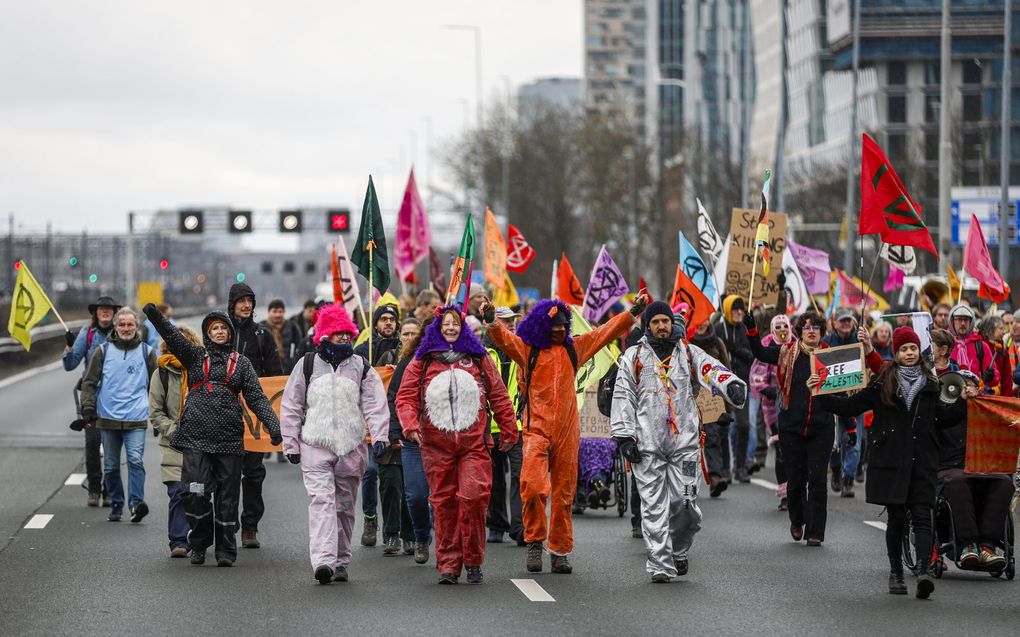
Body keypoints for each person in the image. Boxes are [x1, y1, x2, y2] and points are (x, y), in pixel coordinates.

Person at [481, 294, 646, 574]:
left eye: (563, 325)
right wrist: (490, 321)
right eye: (554, 325)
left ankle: (559, 551)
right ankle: (534, 541)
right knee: (532, 487)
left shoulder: (575, 349)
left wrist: (631, 314)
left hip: (568, 432)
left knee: (564, 495)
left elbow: (604, 333)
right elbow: (504, 341)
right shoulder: (528, 350)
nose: (559, 329)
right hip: (536, 430)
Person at [819, 326, 965, 598]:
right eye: (903, 349)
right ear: (896, 353)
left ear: (918, 352)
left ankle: (923, 572)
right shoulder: (882, 382)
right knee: (897, 518)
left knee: (923, 516)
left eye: (912, 348)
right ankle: (896, 572)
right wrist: (822, 394)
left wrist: (963, 403)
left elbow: (943, 420)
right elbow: (851, 407)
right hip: (891, 461)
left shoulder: (932, 384)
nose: (909, 353)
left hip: (922, 461)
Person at [612, 302, 746, 582]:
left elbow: (713, 369)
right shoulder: (633, 357)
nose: (662, 326)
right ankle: (660, 564)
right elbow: (623, 396)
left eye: (666, 321)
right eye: (656, 322)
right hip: (647, 446)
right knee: (653, 507)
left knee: (685, 504)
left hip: (684, 445)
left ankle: (679, 550)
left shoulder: (687, 352)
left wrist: (730, 385)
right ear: (647, 326)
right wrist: (625, 437)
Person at [142, 303, 282, 567]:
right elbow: (170, 333)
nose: (219, 332)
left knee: (227, 499)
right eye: (214, 328)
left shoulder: (242, 365)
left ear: (229, 333)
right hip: (195, 438)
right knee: (194, 493)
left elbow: (257, 398)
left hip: (229, 440)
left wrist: (274, 426)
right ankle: (200, 541)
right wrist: (153, 314)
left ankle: (226, 551)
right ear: (208, 333)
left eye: (223, 328)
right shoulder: (194, 356)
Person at [395, 305, 519, 584]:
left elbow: (499, 395)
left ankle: (473, 560)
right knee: (444, 504)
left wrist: (509, 428)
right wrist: (410, 425)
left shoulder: (478, 358)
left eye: (455, 324)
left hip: (474, 444)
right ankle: (449, 564)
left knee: (474, 498)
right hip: (436, 447)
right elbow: (405, 397)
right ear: (437, 329)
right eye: (445, 324)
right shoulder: (423, 359)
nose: (450, 328)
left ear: (462, 328)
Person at [279, 303, 390, 583]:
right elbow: (291, 405)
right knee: (321, 502)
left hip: (351, 448)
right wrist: (290, 443)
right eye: (338, 333)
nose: (344, 338)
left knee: (344, 507)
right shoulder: (306, 365)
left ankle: (341, 560)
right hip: (315, 444)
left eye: (347, 333)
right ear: (325, 334)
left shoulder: (361, 367)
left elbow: (375, 404)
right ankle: (323, 561)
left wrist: (380, 436)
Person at [931, 328, 1014, 569]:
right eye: (962, 385)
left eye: (971, 385)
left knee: (1004, 482)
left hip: (983, 468)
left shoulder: (986, 413)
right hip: (950, 467)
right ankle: (968, 545)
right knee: (958, 481)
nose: (967, 389)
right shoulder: (943, 409)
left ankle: (988, 545)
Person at [80, 307, 158, 523]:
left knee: (135, 461)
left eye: (130, 324)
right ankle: (116, 503)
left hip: (136, 418)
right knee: (112, 466)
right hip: (108, 418)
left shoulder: (147, 352)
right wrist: (88, 409)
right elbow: (89, 382)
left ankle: (136, 504)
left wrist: (159, 416)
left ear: (137, 327)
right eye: (121, 324)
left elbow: (157, 386)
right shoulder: (102, 351)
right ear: (115, 327)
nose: (126, 328)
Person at [226, 282, 284, 550]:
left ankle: (250, 526)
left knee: (253, 472)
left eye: (250, 300)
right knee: (226, 473)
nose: (246, 305)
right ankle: (226, 525)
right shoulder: (220, 332)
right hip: (223, 414)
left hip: (254, 416)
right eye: (241, 301)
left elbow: (275, 376)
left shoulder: (263, 335)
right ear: (232, 304)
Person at [149, 325, 203, 557]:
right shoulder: (161, 372)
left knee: (197, 493)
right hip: (173, 442)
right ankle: (178, 541)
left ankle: (198, 536)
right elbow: (155, 412)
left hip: (201, 442)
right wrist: (174, 431)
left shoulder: (202, 369)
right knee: (177, 492)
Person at [63, 295, 119, 507]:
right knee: (92, 442)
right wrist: (69, 348)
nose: (105, 312)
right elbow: (70, 364)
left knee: (112, 445)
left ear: (114, 313)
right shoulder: (87, 334)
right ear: (95, 313)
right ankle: (95, 488)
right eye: (101, 309)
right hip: (91, 398)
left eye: (109, 309)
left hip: (116, 398)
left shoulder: (121, 332)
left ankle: (110, 490)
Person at [387, 319, 432, 564]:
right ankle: (422, 536)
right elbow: (396, 397)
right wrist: (395, 432)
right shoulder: (411, 363)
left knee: (446, 497)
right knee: (415, 494)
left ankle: (448, 550)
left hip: (445, 441)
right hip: (414, 439)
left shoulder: (458, 361)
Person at [375, 318, 421, 557]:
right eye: (406, 334)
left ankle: (410, 535)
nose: (409, 338)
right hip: (388, 430)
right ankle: (390, 533)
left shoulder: (422, 360)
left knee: (411, 489)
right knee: (390, 485)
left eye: (414, 333)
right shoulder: (387, 359)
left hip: (413, 435)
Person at [483, 307, 525, 544]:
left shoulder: (521, 349)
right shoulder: (482, 353)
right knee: (494, 479)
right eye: (505, 322)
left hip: (517, 426)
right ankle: (497, 524)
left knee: (521, 477)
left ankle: (520, 529)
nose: (511, 325)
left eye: (512, 322)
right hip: (490, 428)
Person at [749, 314, 793, 510]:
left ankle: (797, 490)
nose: (783, 330)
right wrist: (772, 390)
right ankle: (785, 495)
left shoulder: (797, 345)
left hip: (796, 404)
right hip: (773, 407)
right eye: (779, 326)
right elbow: (758, 377)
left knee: (796, 449)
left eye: (785, 326)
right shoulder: (767, 344)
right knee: (782, 448)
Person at [690, 317, 734, 498]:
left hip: (711, 399)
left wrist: (727, 407)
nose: (701, 323)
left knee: (713, 437)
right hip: (689, 397)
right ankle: (687, 482)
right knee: (689, 442)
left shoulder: (717, 342)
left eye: (705, 320)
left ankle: (715, 477)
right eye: (698, 319)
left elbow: (727, 373)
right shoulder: (685, 343)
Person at [822, 307, 863, 498]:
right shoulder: (826, 343)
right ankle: (836, 469)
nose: (846, 324)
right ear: (834, 323)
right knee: (833, 441)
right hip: (833, 399)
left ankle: (848, 478)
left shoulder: (861, 340)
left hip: (856, 398)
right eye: (842, 321)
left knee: (854, 439)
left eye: (849, 321)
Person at [714, 295, 754, 483]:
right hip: (722, 386)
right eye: (735, 308)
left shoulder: (746, 330)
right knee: (724, 426)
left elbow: (752, 355)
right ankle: (724, 469)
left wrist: (735, 349)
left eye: (741, 309)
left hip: (742, 384)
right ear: (728, 310)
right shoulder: (719, 329)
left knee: (744, 425)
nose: (739, 312)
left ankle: (740, 466)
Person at [948, 304, 999, 389]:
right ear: (952, 321)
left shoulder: (981, 345)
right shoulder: (946, 343)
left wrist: (991, 377)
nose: (963, 323)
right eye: (959, 319)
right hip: (949, 395)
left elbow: (995, 379)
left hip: (974, 396)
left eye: (966, 320)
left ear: (971, 322)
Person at [261, 299, 305, 374]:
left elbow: (299, 348)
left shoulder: (292, 327)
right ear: (269, 312)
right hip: (268, 373)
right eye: (274, 311)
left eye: (280, 312)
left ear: (284, 312)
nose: (277, 315)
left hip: (289, 371)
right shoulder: (262, 328)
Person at [978, 315, 1012, 397]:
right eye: (1001, 329)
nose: (1004, 332)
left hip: (998, 396)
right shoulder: (979, 347)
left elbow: (1007, 379)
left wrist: (1006, 400)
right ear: (989, 330)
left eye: (1004, 329)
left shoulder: (1003, 351)